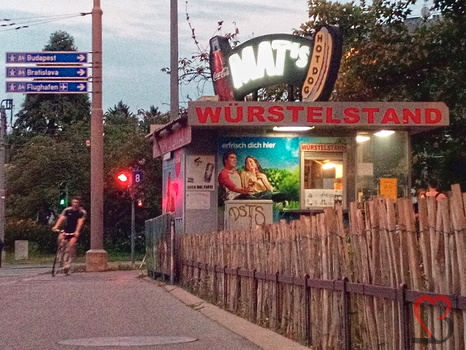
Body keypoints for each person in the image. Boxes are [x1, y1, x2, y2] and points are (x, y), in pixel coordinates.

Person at [51, 197, 86, 274]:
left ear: (79, 204)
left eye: (76, 202)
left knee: (71, 244)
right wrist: (56, 226)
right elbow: (61, 218)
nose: (75, 204)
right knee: (60, 239)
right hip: (66, 230)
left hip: (74, 231)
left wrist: (77, 231)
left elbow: (80, 222)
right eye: (74, 202)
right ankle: (60, 253)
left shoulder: (81, 212)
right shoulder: (67, 210)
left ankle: (69, 261)